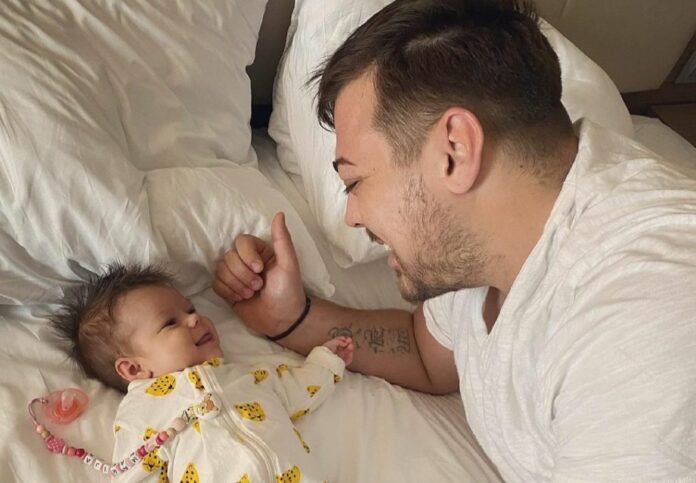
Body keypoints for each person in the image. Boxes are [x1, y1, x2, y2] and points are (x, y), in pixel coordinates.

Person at [213, 0, 696, 481]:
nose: (352, 216)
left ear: (455, 151)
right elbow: (428, 354)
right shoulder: (484, 237)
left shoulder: (645, 315)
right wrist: (292, 319)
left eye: (355, 182)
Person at [51, 263, 353, 482]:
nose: (194, 319)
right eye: (170, 323)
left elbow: (296, 388)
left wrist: (326, 362)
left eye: (191, 310)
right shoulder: (141, 411)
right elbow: (135, 473)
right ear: (133, 368)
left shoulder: (246, 376)